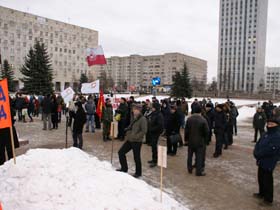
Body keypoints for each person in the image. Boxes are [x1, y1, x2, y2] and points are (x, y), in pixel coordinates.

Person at [253, 116, 280, 206]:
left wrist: (259, 154)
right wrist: (256, 151)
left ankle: (268, 199)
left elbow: (272, 149)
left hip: (269, 161)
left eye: (272, 124)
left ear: (276, 125)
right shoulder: (265, 134)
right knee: (261, 177)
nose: (269, 125)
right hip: (261, 160)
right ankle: (261, 193)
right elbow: (259, 143)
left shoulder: (277, 136)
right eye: (268, 124)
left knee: (267, 180)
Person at [117, 104, 147, 178]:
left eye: (134, 109)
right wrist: (127, 130)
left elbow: (144, 130)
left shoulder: (143, 119)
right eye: (133, 109)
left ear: (139, 110)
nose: (133, 111)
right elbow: (131, 126)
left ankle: (138, 173)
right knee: (121, 152)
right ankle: (124, 168)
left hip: (137, 141)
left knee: (136, 157)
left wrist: (136, 137)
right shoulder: (134, 117)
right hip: (130, 139)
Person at [185, 105, 209, 176]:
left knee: (190, 156)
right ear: (200, 111)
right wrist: (205, 140)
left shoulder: (189, 119)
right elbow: (207, 131)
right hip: (200, 141)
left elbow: (186, 131)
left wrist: (186, 140)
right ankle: (198, 172)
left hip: (190, 140)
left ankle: (189, 169)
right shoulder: (203, 120)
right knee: (199, 157)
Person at [147, 102, 164, 168]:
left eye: (153, 107)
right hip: (152, 132)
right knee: (153, 146)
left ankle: (155, 160)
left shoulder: (159, 115)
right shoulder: (154, 113)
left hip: (155, 132)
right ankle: (153, 159)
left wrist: (152, 129)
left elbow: (160, 125)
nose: (152, 108)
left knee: (154, 146)